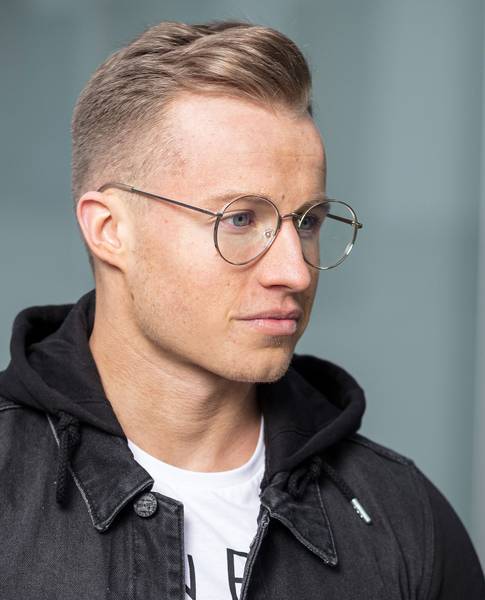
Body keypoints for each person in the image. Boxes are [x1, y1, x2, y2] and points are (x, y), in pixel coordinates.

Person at [0, 18, 483, 600]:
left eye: (308, 222)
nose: (295, 272)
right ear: (110, 230)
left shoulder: (402, 520)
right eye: (240, 219)